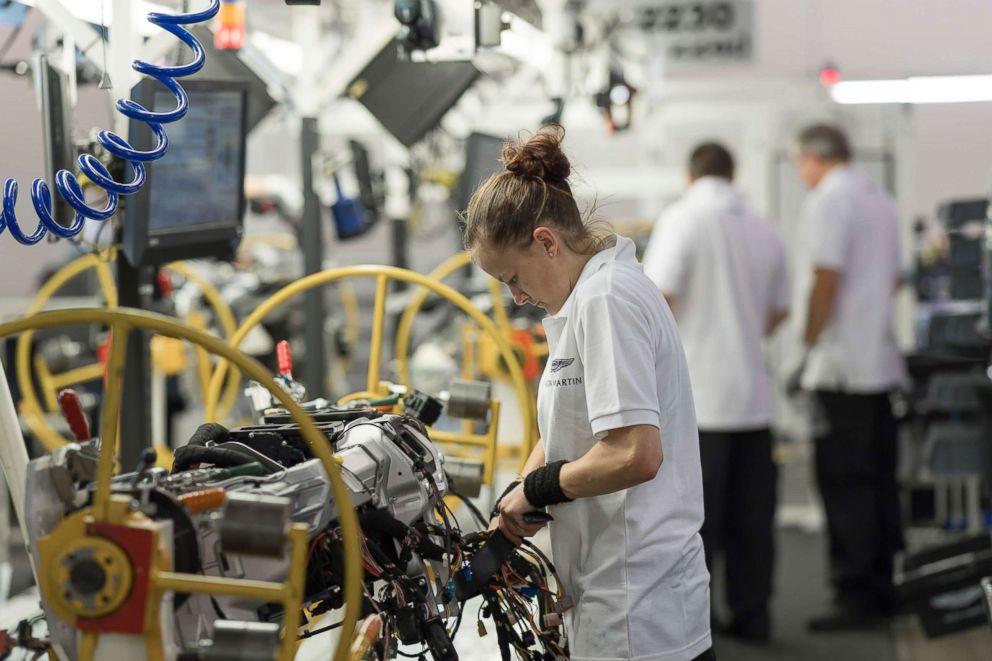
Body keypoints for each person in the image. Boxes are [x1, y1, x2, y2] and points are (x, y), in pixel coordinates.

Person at [465, 125, 714, 661]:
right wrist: (515, 500)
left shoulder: (608, 298)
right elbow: (570, 435)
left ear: (546, 242)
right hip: (616, 596)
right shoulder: (589, 298)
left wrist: (539, 490)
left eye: (513, 277)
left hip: (638, 611)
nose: (517, 296)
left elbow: (634, 453)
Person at [641, 142, 789, 643]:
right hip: (753, 398)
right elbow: (780, 310)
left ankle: (692, 628)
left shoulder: (683, 218)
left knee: (694, 525)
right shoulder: (762, 225)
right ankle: (753, 617)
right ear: (733, 172)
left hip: (699, 404)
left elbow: (657, 298)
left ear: (691, 173)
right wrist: (740, 331)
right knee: (754, 520)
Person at [791, 124, 906, 631]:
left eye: (800, 163)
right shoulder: (881, 202)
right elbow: (897, 278)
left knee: (844, 483)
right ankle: (881, 588)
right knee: (878, 482)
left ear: (814, 157)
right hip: (878, 367)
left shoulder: (830, 200)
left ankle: (854, 595)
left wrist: (808, 344)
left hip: (840, 372)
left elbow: (826, 277)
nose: (800, 173)